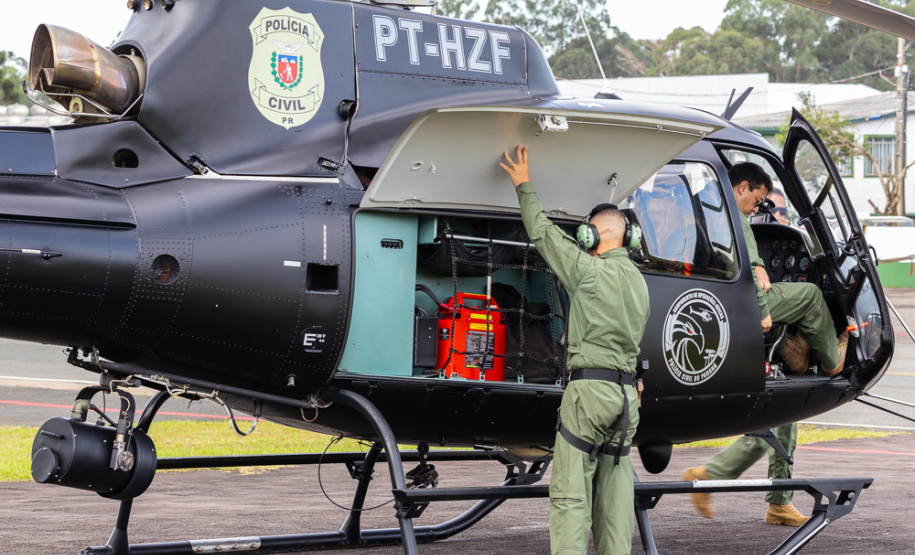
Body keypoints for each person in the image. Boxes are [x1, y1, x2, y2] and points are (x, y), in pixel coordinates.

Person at [500, 145, 650, 554]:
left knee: (570, 496)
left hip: (590, 395)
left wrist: (523, 183)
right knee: (615, 500)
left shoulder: (586, 270)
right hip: (626, 399)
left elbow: (543, 233)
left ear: (590, 235)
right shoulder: (640, 280)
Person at [683, 161, 849, 527]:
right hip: (736, 304)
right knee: (807, 294)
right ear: (742, 187)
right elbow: (748, 272)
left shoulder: (704, 203)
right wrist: (762, 310)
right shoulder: (726, 209)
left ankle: (778, 502)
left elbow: (745, 260)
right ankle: (831, 357)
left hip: (713, 301)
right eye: (756, 201)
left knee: (786, 413)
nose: (756, 210)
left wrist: (758, 267)